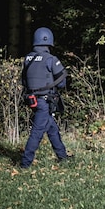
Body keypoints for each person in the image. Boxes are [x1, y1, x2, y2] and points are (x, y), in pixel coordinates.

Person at [19, 27, 70, 168]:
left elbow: (23, 80)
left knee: (52, 128)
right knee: (37, 132)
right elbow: (62, 83)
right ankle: (25, 163)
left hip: (32, 99)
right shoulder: (51, 59)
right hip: (45, 100)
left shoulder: (28, 58)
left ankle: (62, 156)